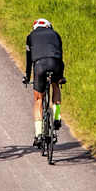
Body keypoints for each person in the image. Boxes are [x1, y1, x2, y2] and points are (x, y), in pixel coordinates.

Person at [24, 17, 64, 145]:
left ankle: (38, 134)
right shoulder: (56, 34)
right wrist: (61, 76)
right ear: (49, 26)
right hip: (56, 64)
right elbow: (60, 55)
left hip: (40, 65)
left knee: (38, 99)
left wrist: (27, 76)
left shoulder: (30, 36)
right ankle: (57, 117)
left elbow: (29, 60)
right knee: (55, 86)